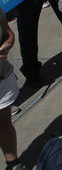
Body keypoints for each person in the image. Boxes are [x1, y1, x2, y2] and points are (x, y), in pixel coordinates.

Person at [0, 11, 21, 169]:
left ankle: (13, 163)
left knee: (4, 123)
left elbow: (9, 34)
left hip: (2, 76)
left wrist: (7, 44)